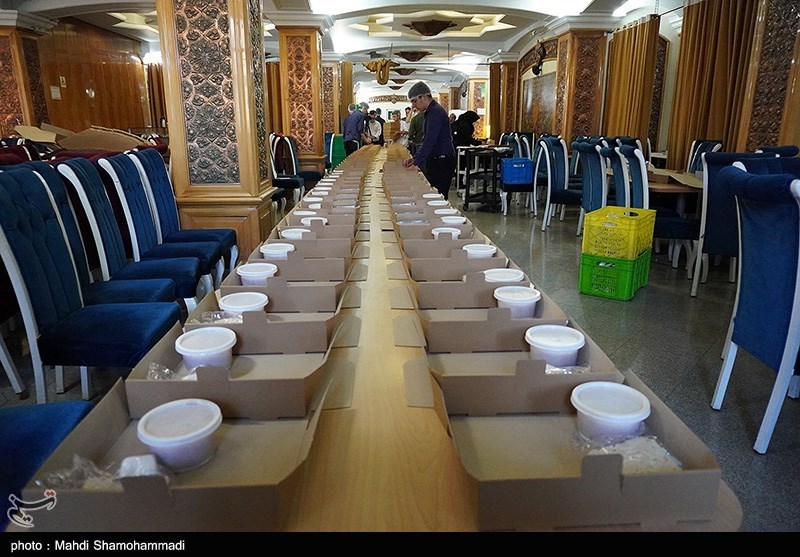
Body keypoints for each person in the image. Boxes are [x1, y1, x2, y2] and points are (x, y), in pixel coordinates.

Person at [402, 81, 456, 198]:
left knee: (438, 197)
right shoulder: (431, 111)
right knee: (435, 196)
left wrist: (417, 163)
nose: (413, 106)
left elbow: (430, 141)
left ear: (423, 97)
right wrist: (414, 159)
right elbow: (426, 140)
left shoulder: (435, 112)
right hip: (438, 159)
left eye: (414, 101)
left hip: (441, 161)